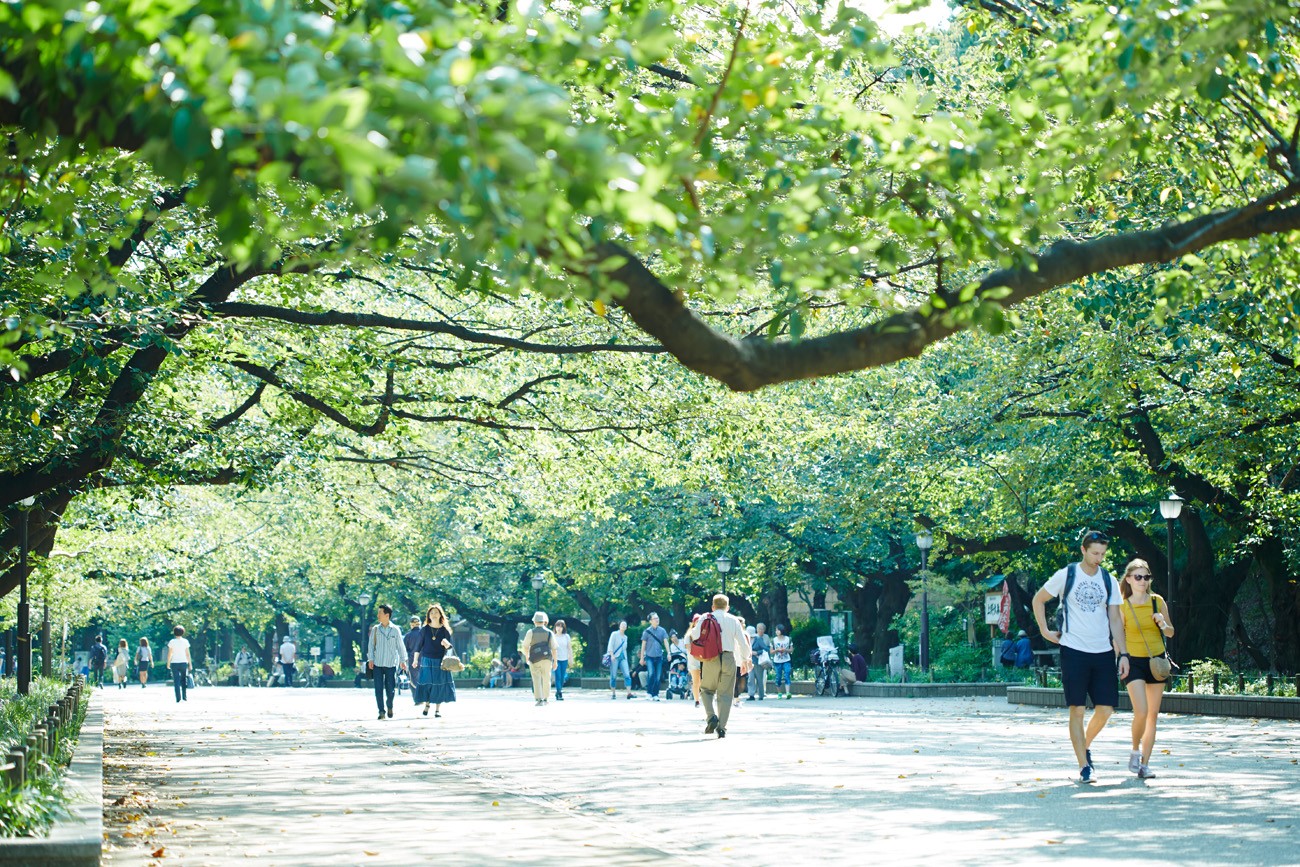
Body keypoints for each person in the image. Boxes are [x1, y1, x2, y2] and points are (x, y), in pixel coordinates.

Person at [1033, 529, 1128, 783]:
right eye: (1095, 553)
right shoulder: (1068, 574)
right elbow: (1038, 600)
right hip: (1073, 650)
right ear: (1083, 550)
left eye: (1102, 554)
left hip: (1103, 651)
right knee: (1076, 709)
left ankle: (1083, 745)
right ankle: (1084, 766)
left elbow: (1115, 619)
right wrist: (1044, 630)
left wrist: (1124, 653)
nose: (1099, 558)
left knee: (1106, 709)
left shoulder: (1108, 580)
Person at [1119, 558, 1175, 779]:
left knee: (1152, 715)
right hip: (1134, 661)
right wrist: (1120, 657)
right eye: (1138, 577)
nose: (1143, 581)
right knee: (1140, 711)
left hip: (1157, 661)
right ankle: (1135, 750)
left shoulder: (1157, 601)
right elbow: (1117, 635)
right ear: (1129, 579)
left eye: (1146, 577)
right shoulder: (1123, 605)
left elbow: (1171, 632)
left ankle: (1145, 764)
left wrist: (1162, 623)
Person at [684, 594, 749, 739]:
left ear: (712, 606)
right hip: (728, 658)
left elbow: (694, 635)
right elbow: (743, 643)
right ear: (728, 607)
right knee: (725, 694)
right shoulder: (733, 620)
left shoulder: (705, 618)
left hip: (710, 658)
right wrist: (745, 660)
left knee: (706, 690)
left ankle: (711, 716)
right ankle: (722, 728)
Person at [367, 603, 410, 720]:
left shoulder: (395, 630)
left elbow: (401, 646)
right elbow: (370, 646)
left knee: (390, 689)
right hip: (377, 664)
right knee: (378, 689)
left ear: (387, 615)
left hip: (391, 664)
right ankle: (381, 711)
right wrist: (370, 658)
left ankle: (389, 705)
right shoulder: (375, 630)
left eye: (380, 613)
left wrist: (403, 660)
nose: (378, 615)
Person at [412, 604, 456, 717]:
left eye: (436, 612)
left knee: (439, 685)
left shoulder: (445, 630)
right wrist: (415, 660)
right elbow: (418, 646)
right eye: (431, 613)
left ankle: (437, 710)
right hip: (426, 660)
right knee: (427, 684)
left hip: (440, 662)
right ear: (428, 616)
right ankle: (427, 704)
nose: (434, 614)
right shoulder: (424, 630)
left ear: (440, 614)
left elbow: (450, 649)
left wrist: (447, 645)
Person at [521, 612, 559, 706]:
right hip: (547, 658)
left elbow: (525, 646)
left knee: (536, 679)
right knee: (546, 678)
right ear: (545, 621)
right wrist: (555, 662)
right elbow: (554, 648)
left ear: (534, 621)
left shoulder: (531, 632)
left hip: (534, 658)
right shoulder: (549, 633)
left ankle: (539, 699)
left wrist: (527, 656)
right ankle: (546, 698)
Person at [639, 612, 669, 701]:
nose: (657, 620)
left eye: (658, 618)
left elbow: (666, 641)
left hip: (659, 657)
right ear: (650, 621)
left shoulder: (662, 630)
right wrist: (641, 658)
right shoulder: (647, 632)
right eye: (655, 618)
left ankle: (655, 694)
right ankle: (649, 693)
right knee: (651, 674)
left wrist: (669, 653)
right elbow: (643, 645)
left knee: (658, 676)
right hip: (649, 657)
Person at [607, 621, 634, 700]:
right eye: (622, 625)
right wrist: (611, 655)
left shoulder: (626, 637)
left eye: (625, 625)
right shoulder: (614, 634)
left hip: (623, 657)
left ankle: (629, 693)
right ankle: (613, 693)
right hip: (615, 657)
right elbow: (610, 645)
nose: (623, 626)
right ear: (619, 626)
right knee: (613, 675)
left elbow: (624, 649)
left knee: (627, 674)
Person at [166, 625, 192, 703]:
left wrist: (168, 663)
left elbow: (170, 654)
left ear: (174, 632)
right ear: (182, 632)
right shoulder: (185, 641)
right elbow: (188, 654)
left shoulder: (172, 642)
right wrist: (190, 664)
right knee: (184, 680)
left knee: (176, 681)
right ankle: (184, 697)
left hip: (174, 663)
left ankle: (178, 698)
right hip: (184, 662)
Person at [748, 622, 771, 701]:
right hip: (749, 662)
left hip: (758, 662)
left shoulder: (758, 639)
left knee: (759, 679)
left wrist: (756, 652)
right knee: (750, 679)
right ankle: (751, 695)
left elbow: (766, 649)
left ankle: (761, 695)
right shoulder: (745, 639)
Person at [771, 624, 793, 699]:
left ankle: (788, 692)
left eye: (778, 630)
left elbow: (791, 650)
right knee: (778, 677)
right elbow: (771, 651)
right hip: (777, 661)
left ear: (781, 630)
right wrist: (777, 650)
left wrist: (785, 650)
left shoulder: (788, 639)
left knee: (787, 674)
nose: (776, 631)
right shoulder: (774, 640)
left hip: (786, 659)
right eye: (776, 630)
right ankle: (779, 693)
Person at [686, 613, 703, 707]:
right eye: (697, 621)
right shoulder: (689, 635)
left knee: (705, 681)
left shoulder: (705, 634)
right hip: (694, 661)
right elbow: (688, 648)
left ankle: (704, 698)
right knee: (696, 681)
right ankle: (697, 700)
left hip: (704, 660)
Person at [553, 619, 572, 701]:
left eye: (561, 626)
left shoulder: (566, 636)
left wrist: (571, 658)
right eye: (558, 626)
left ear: (563, 628)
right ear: (555, 627)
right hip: (556, 659)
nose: (559, 628)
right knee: (558, 676)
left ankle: (558, 691)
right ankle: (559, 692)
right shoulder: (553, 636)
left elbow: (569, 648)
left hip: (564, 659)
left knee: (562, 677)